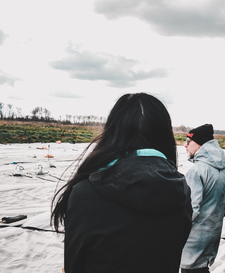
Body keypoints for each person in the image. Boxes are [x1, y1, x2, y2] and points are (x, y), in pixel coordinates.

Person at [51, 93, 192, 273]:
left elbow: (73, 267)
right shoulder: (181, 192)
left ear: (112, 133)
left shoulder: (86, 193)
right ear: (165, 135)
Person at [180, 124, 225, 273]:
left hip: (193, 239)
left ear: (199, 145)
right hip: (213, 233)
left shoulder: (196, 171)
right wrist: (213, 219)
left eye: (188, 141)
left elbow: (191, 210)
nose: (185, 145)